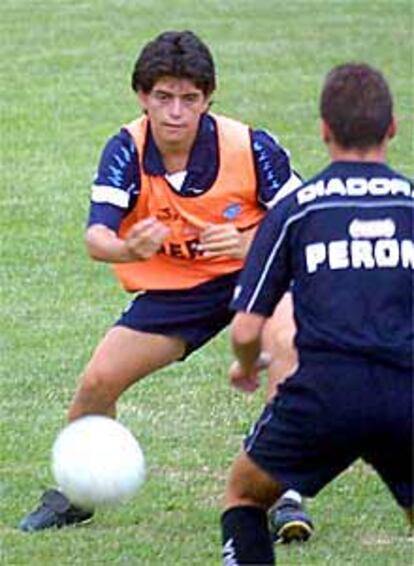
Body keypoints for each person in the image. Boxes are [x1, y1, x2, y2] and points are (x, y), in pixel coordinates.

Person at [19, 30, 312, 537]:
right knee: (98, 380)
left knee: (286, 354)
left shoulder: (251, 145)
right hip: (180, 292)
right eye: (163, 97)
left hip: (260, 276)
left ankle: (285, 492)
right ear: (142, 96)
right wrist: (127, 249)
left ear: (207, 99)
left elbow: (308, 223)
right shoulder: (125, 150)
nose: (176, 111)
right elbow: (96, 237)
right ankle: (77, 491)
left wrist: (250, 246)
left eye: (189, 99)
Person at [220, 62, 413, 564]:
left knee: (243, 496)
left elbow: (246, 326)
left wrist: (245, 365)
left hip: (324, 396)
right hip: (405, 394)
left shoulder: (298, 208)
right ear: (392, 128)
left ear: (324, 131)